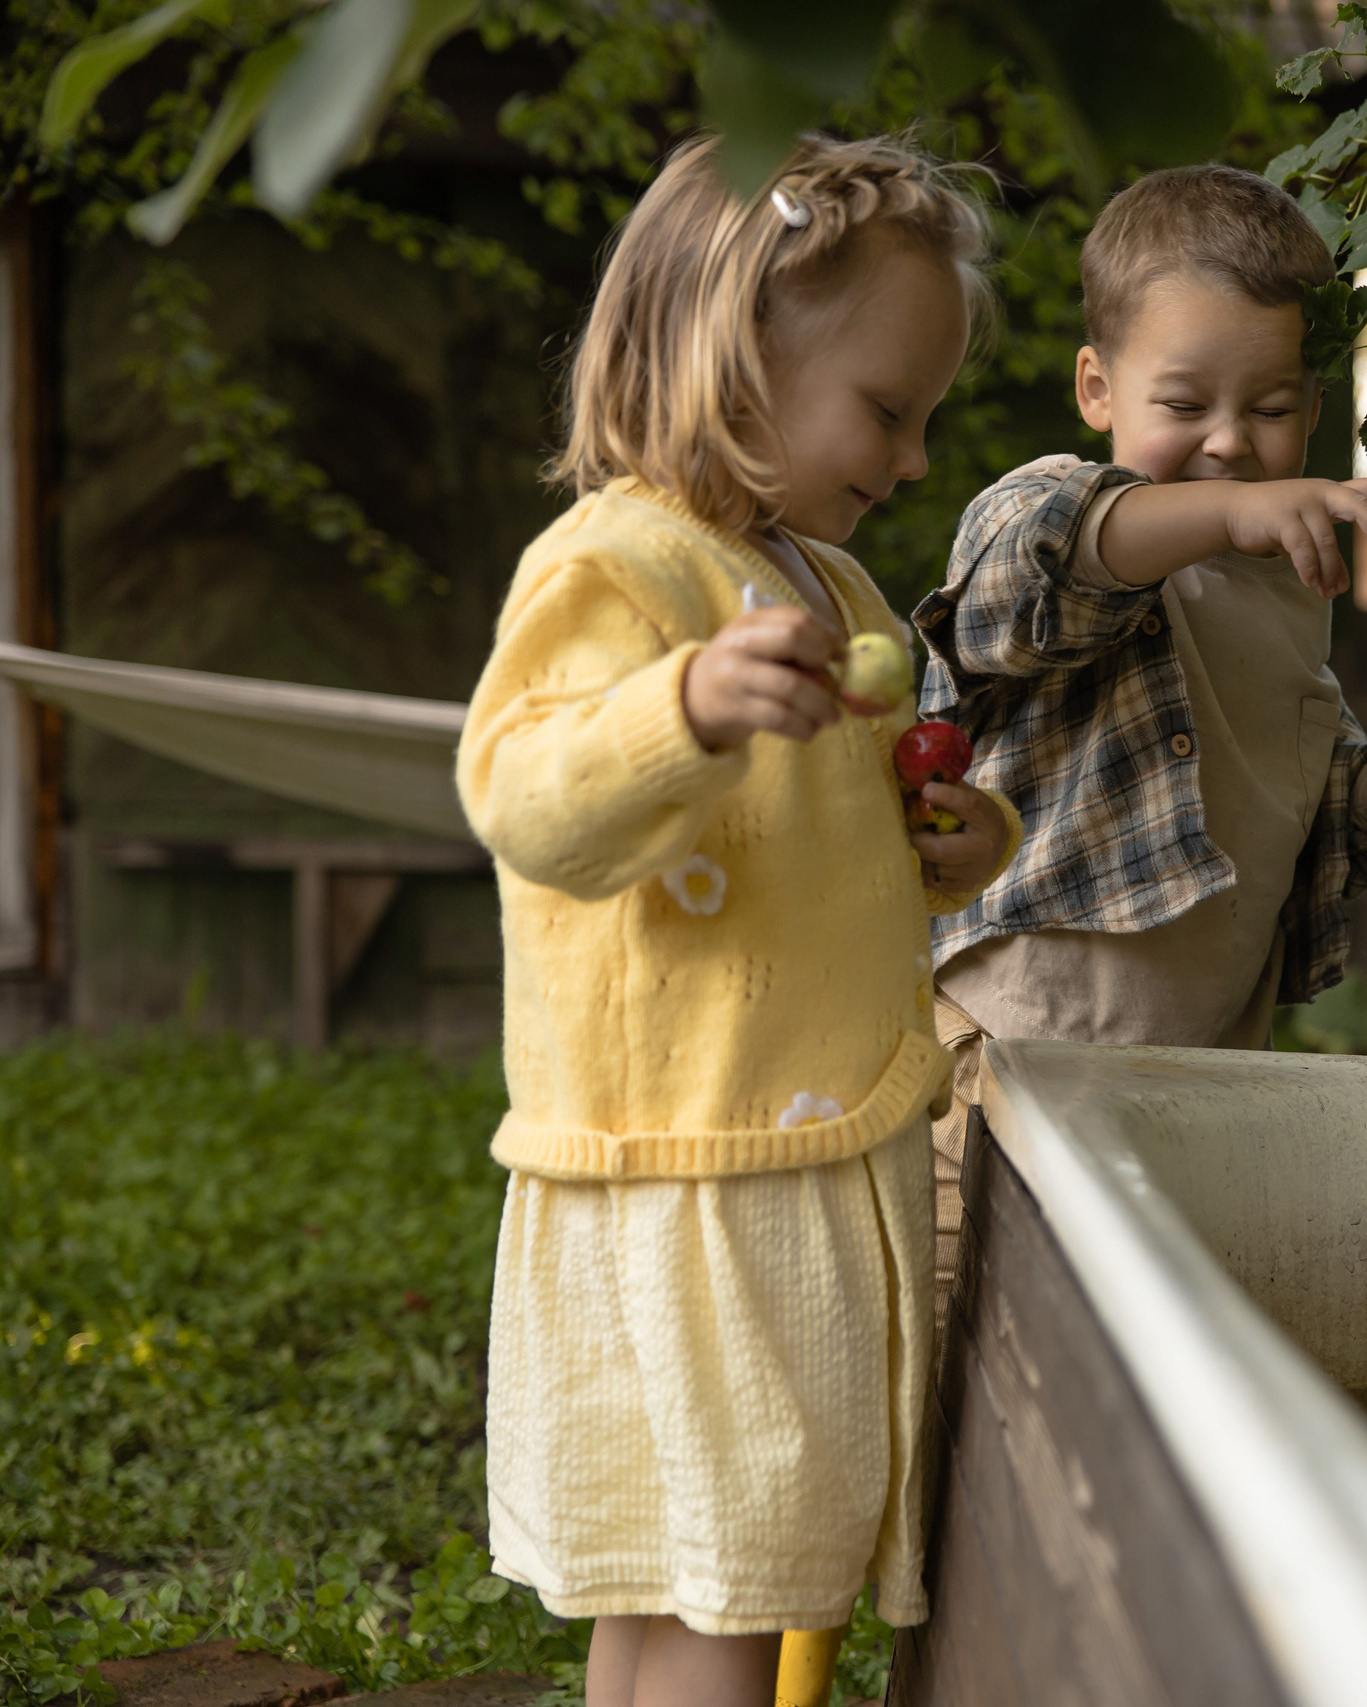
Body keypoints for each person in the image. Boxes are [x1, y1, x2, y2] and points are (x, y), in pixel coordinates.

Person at [456, 133, 1017, 1707]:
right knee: (733, 1578)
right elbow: (525, 798)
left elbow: (826, 843)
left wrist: (951, 841)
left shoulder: (826, 585)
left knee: (679, 1579)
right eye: (887, 409)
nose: (910, 459)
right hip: (701, 1167)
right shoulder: (619, 568)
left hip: (782, 1146)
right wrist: (679, 709)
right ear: (735, 349)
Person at [915, 164, 1367, 1300]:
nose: (1228, 444)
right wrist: (1228, 510)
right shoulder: (1047, 506)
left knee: (1135, 1365)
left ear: (1314, 410)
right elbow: (1019, 587)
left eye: (1269, 410)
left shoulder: (1283, 586)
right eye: (1184, 406)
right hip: (1008, 1060)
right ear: (1097, 387)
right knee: (964, 1341)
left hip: (1194, 1079)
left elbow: (1273, 790)